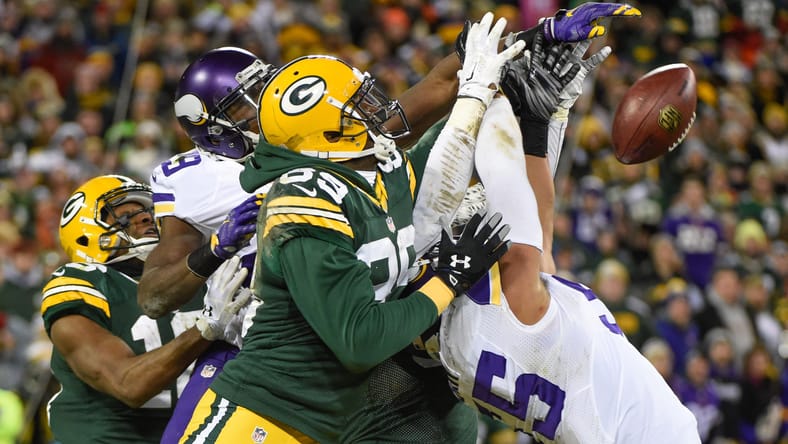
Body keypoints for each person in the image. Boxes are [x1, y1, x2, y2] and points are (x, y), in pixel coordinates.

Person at [179, 13, 521, 443]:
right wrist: (447, 280)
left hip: (335, 418)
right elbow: (359, 341)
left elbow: (437, 160)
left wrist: (491, 92)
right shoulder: (304, 198)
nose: (376, 110)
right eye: (358, 106)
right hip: (266, 417)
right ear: (327, 133)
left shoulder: (371, 172)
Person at [419, 34, 700, 442]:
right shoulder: (508, 307)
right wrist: (492, 93)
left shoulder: (480, 328)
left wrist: (541, 122)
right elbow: (507, 182)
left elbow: (537, 221)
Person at [41, 175, 250, 443]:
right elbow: (127, 384)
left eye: (148, 212)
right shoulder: (83, 280)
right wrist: (206, 328)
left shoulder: (203, 281)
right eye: (126, 215)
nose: (146, 219)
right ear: (85, 232)